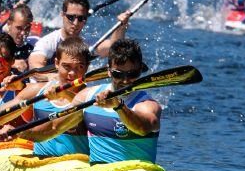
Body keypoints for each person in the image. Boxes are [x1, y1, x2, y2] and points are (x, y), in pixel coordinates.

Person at [22, 39, 159, 164]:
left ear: (140, 71)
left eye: (132, 74)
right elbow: (54, 128)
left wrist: (119, 106)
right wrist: (21, 133)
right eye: (118, 74)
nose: (125, 80)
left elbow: (143, 128)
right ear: (109, 71)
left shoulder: (147, 104)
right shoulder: (87, 96)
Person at [0, 37, 91, 158]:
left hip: (73, 165)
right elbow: (0, 113)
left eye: (79, 67)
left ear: (87, 67)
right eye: (67, 66)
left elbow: (52, 128)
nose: (72, 73)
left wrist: (18, 132)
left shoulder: (90, 97)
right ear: (56, 64)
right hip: (39, 164)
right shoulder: (37, 90)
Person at [28, 0, 130, 69]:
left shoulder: (87, 43)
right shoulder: (48, 42)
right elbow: (35, 67)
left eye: (81, 18)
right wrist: (57, 79)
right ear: (62, 15)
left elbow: (113, 49)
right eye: (71, 17)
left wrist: (121, 26)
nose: (76, 23)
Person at [2, 4, 38, 72]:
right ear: (9, 24)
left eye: (27, 28)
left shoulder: (32, 49)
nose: (23, 33)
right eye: (19, 28)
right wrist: (10, 64)